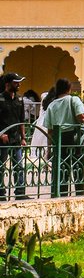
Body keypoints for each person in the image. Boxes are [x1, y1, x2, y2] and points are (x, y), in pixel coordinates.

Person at [43, 78, 84, 196]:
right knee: (78, 165)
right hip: (73, 136)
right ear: (69, 88)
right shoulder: (73, 99)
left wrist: (49, 148)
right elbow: (81, 117)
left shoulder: (51, 105)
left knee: (62, 167)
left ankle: (61, 193)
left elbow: (50, 130)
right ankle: (79, 192)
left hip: (59, 138)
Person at [0, 73, 27, 201]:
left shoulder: (19, 100)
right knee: (1, 166)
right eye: (16, 82)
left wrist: (23, 137)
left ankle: (20, 192)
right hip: (3, 139)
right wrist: (1, 133)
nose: (18, 84)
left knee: (19, 166)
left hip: (16, 138)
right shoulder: (0, 99)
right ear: (8, 84)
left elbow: (21, 120)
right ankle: (1, 192)